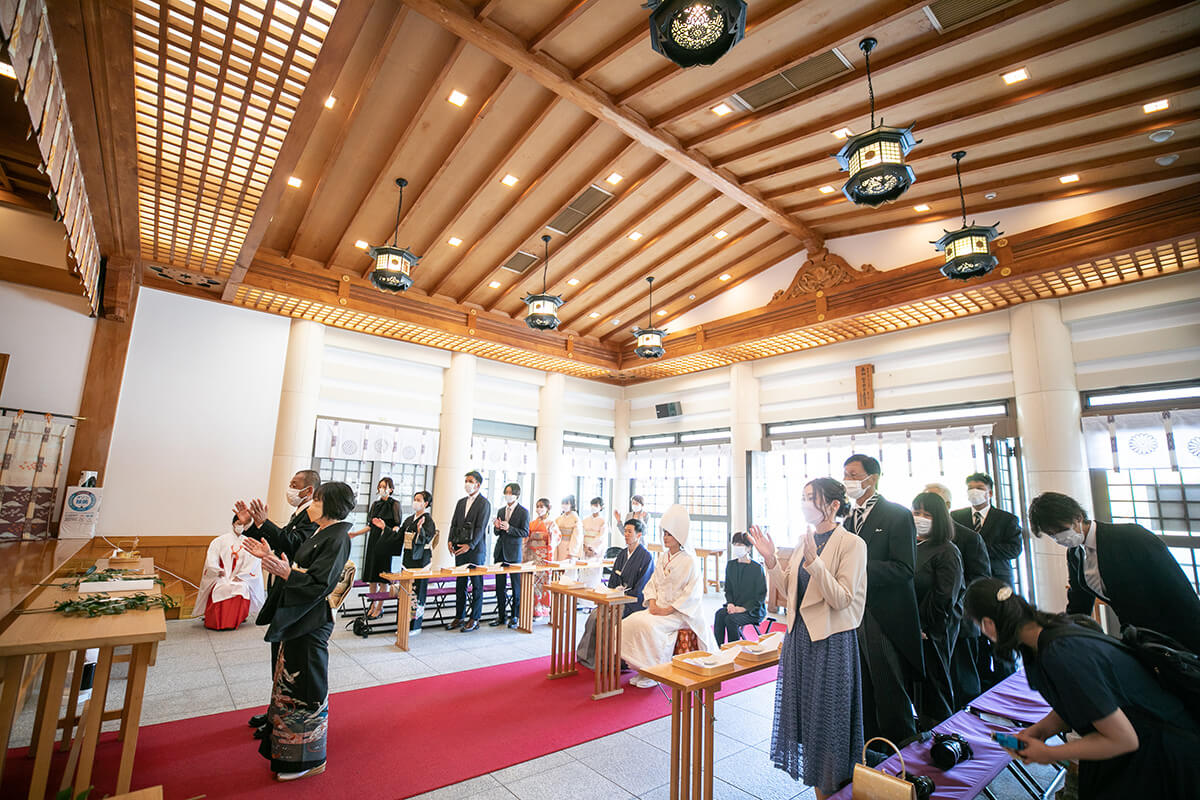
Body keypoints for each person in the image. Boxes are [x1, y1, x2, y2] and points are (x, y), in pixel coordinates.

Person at [964, 578, 1200, 800]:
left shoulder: (1060, 653)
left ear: (988, 624)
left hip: (1163, 754)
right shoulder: (1046, 635)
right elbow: (1081, 699)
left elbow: (1123, 739)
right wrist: (1040, 730)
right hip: (1144, 741)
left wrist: (1049, 754)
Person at [749, 477, 867, 800]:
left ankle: (831, 791)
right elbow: (788, 592)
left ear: (833, 506)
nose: (804, 504)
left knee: (828, 724)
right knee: (806, 721)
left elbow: (842, 598)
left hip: (830, 643)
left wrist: (815, 562)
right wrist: (771, 559)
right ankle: (820, 788)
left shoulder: (853, 545)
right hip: (800, 640)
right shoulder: (805, 541)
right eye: (802, 497)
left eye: (811, 498)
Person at [242, 481, 354, 782]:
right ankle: (288, 752)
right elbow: (293, 548)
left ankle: (309, 758)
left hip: (312, 619)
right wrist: (269, 546)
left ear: (330, 506)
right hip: (298, 615)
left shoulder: (339, 537)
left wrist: (286, 573)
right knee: (289, 684)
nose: (312, 506)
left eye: (317, 501)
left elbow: (321, 584)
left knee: (306, 685)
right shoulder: (321, 532)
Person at [1028, 491, 1200, 653]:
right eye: (1051, 535)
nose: (1058, 538)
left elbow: (1177, 588)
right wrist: (1063, 630)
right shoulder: (1075, 554)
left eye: (1060, 530)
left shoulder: (1130, 536)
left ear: (1078, 517)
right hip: (1137, 635)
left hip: (1174, 630)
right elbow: (1079, 601)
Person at [843, 454, 923, 746]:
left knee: (889, 685)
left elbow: (905, 568)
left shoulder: (897, 515)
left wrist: (857, 569)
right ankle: (870, 746)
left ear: (871, 478)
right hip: (852, 612)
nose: (847, 481)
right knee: (861, 684)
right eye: (846, 475)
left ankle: (902, 753)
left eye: (853, 475)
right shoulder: (847, 518)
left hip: (883, 614)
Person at [235, 469, 321, 737]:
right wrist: (252, 525)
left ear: (309, 491)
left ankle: (280, 717)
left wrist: (265, 523)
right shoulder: (301, 512)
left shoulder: (314, 516)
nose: (290, 488)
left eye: (295, 485)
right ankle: (275, 711)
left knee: (286, 663)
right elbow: (282, 537)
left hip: (295, 593)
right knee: (277, 660)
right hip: (282, 589)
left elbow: (295, 545)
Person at [621, 504, 714, 689]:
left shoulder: (690, 560)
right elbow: (653, 583)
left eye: (669, 534)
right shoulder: (663, 557)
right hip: (658, 608)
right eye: (664, 533)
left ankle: (655, 671)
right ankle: (642, 669)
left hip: (680, 613)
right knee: (629, 622)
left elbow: (692, 594)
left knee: (649, 627)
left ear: (679, 537)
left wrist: (668, 609)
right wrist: (653, 603)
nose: (665, 537)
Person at [951, 473, 1022, 689]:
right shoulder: (956, 517)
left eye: (979, 487)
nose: (974, 491)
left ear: (989, 492)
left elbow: (1014, 549)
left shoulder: (1007, 519)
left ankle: (1007, 681)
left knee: (1002, 632)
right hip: (970, 583)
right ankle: (982, 683)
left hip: (999, 582)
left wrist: (979, 548)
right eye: (970, 487)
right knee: (976, 632)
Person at [924, 482, 990, 707]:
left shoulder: (968, 538)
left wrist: (953, 601)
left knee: (964, 684)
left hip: (959, 623)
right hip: (930, 625)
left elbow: (980, 581)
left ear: (947, 505)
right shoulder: (918, 539)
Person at [911, 491, 964, 727]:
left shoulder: (947, 551)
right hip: (910, 626)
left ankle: (943, 736)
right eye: (916, 512)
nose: (920, 518)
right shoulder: (911, 545)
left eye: (927, 514)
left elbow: (944, 596)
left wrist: (924, 625)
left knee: (934, 687)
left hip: (933, 629)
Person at [578, 518, 655, 670]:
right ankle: (586, 656)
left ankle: (608, 661)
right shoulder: (621, 554)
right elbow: (613, 580)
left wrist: (624, 597)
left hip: (632, 602)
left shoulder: (646, 557)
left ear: (639, 535)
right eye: (625, 531)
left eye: (629, 532)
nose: (626, 534)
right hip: (615, 598)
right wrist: (612, 592)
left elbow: (642, 588)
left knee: (608, 620)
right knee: (594, 616)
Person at [195, 515, 266, 630]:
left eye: (245, 524)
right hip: (222, 575)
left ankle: (236, 619)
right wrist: (217, 570)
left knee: (241, 587)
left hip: (239, 577)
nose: (241, 526)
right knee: (222, 587)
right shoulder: (219, 541)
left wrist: (241, 576)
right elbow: (211, 559)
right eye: (239, 523)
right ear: (233, 524)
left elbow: (253, 563)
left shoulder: (250, 542)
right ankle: (216, 620)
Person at [349, 477, 403, 619]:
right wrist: (354, 534)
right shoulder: (375, 504)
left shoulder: (395, 504)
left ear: (391, 489)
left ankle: (380, 607)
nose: (381, 489)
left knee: (382, 577)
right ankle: (372, 604)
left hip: (386, 541)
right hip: (373, 541)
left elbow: (397, 525)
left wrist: (390, 531)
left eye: (384, 487)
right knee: (372, 576)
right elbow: (370, 525)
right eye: (380, 486)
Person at [447, 471, 491, 633]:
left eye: (470, 481)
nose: (467, 483)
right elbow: (453, 524)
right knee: (461, 584)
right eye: (466, 480)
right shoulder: (460, 502)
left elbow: (481, 528)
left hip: (475, 550)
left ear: (478, 484)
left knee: (477, 584)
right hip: (460, 549)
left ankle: (475, 618)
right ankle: (459, 616)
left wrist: (470, 545)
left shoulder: (484, 503)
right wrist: (450, 540)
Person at [713, 531, 767, 646]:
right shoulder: (731, 565)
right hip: (734, 606)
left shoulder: (757, 568)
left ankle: (735, 651)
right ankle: (718, 649)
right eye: (735, 544)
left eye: (740, 545)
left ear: (749, 548)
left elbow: (760, 596)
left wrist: (743, 609)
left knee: (730, 620)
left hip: (753, 610)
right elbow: (728, 589)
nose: (737, 547)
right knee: (719, 614)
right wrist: (730, 604)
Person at [492, 483, 529, 629]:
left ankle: (515, 615)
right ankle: (501, 615)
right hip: (500, 551)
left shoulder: (523, 512)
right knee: (499, 586)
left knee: (516, 586)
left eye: (510, 492)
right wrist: (497, 527)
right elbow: (497, 533)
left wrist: (510, 528)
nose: (507, 495)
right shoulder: (501, 510)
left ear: (516, 494)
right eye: (505, 492)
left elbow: (525, 532)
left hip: (514, 553)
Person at [397, 490, 436, 629]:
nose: (415, 502)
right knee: (405, 591)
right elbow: (399, 535)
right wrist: (386, 529)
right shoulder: (409, 519)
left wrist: (420, 531)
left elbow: (428, 538)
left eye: (419, 500)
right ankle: (402, 623)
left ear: (425, 503)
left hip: (421, 559)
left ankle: (415, 625)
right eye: (414, 499)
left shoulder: (428, 520)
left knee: (418, 591)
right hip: (408, 558)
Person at [526, 498, 561, 618]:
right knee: (533, 583)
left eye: (541, 506)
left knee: (542, 583)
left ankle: (543, 608)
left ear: (548, 508)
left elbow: (556, 538)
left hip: (544, 555)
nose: (539, 509)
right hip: (533, 556)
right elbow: (526, 538)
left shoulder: (552, 523)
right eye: (537, 506)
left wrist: (545, 537)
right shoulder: (532, 523)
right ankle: (534, 608)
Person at [574, 495, 608, 589]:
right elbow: (581, 535)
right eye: (592, 504)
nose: (593, 507)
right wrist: (584, 547)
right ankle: (582, 600)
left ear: (601, 507)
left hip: (595, 553)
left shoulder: (603, 521)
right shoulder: (585, 520)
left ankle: (591, 601)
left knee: (593, 575)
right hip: (585, 550)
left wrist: (592, 548)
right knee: (583, 574)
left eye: (596, 505)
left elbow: (602, 538)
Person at [554, 495, 579, 562]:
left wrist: (572, 552)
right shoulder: (558, 519)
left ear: (572, 504)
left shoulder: (576, 519)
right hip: (559, 546)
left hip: (569, 547)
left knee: (568, 569)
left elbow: (577, 537)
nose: (564, 505)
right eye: (563, 503)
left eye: (567, 503)